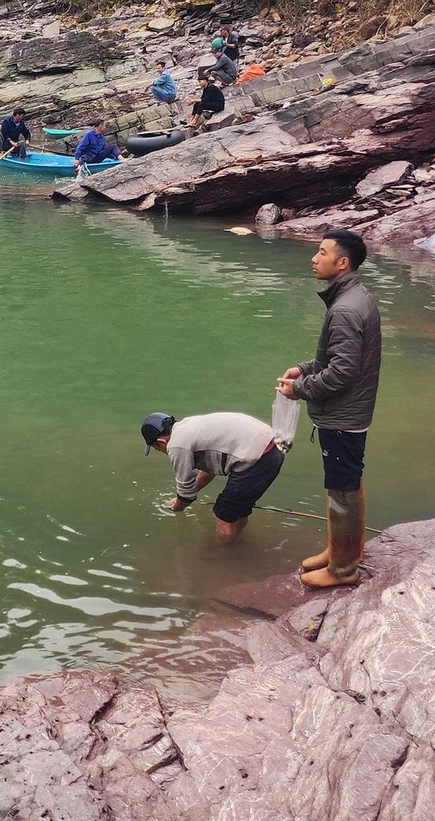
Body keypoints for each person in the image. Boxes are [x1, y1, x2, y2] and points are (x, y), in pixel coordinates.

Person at [277, 228, 382, 590]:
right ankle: (341, 550)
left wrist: (300, 388)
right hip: (350, 412)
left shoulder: (346, 309)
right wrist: (306, 369)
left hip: (343, 416)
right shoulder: (354, 297)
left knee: (342, 490)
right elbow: (337, 357)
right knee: (346, 486)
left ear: (343, 262)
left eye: (322, 252)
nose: (314, 258)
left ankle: (343, 569)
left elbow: (343, 371)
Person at [141, 411, 286, 543]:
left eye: (156, 449)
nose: (161, 452)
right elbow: (210, 469)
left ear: (161, 442)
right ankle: (239, 543)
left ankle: (225, 556)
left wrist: (176, 506)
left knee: (223, 512)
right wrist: (191, 491)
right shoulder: (188, 426)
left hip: (257, 458)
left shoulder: (176, 446)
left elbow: (186, 496)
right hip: (272, 448)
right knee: (238, 509)